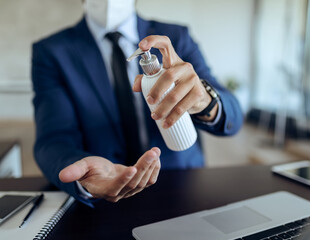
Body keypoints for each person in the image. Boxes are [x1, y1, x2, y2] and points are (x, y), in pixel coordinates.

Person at [31, 0, 242, 206]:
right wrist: (85, 176)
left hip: (183, 185)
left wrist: (204, 101)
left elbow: (233, 114)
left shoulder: (176, 37)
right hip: (104, 198)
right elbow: (53, 139)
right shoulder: (53, 52)